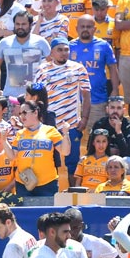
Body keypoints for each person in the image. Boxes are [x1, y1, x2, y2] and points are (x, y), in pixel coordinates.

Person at [35, 37, 91, 177]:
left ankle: (72, 194)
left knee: (73, 162)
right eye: (59, 50)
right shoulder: (42, 69)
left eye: (66, 50)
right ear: (52, 52)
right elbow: (36, 97)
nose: (63, 53)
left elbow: (86, 95)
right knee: (50, 161)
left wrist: (84, 119)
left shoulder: (78, 69)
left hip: (71, 124)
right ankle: (50, 194)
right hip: (49, 125)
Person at [11, 99, 68, 196]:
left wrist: (66, 134)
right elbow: (12, 157)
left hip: (47, 183)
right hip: (24, 182)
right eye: (20, 114)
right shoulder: (19, 134)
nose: (22, 116)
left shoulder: (50, 130)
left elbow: (65, 152)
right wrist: (4, 140)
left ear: (35, 112)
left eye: (25, 112)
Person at [0, 11, 51, 97]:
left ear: (30, 25)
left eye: (23, 24)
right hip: (10, 96)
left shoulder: (41, 42)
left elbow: (52, 65)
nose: (20, 27)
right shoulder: (5, 43)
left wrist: (47, 85)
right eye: (17, 24)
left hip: (34, 97)